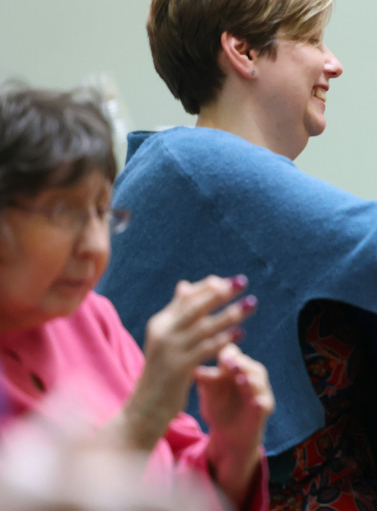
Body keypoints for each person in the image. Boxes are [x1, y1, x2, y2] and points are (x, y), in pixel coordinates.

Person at [95, 0, 377, 511]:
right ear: (243, 51)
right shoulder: (203, 167)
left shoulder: (197, 174)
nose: (334, 63)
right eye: (312, 40)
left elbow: (369, 296)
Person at [0, 81, 273, 510]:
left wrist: (233, 448)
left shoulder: (94, 317)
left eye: (101, 213)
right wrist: (144, 414)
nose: (93, 245)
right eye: (62, 211)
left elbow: (178, 476)